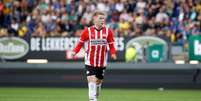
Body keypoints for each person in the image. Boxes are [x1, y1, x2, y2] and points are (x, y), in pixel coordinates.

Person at [72, 10, 117, 101]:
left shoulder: (108, 32)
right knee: (91, 80)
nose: (102, 20)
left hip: (102, 62)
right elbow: (80, 43)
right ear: (95, 19)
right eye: (100, 18)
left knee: (98, 82)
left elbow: (111, 44)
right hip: (90, 61)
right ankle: (92, 99)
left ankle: (97, 89)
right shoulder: (87, 31)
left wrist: (113, 53)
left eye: (103, 18)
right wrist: (74, 52)